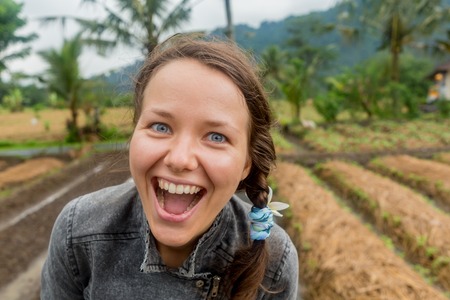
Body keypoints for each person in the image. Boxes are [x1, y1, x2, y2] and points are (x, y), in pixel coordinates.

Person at [41, 35, 299, 299]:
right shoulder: (79, 233)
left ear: (246, 164)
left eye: (216, 137)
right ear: (134, 133)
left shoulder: (275, 258)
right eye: (160, 127)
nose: (179, 159)